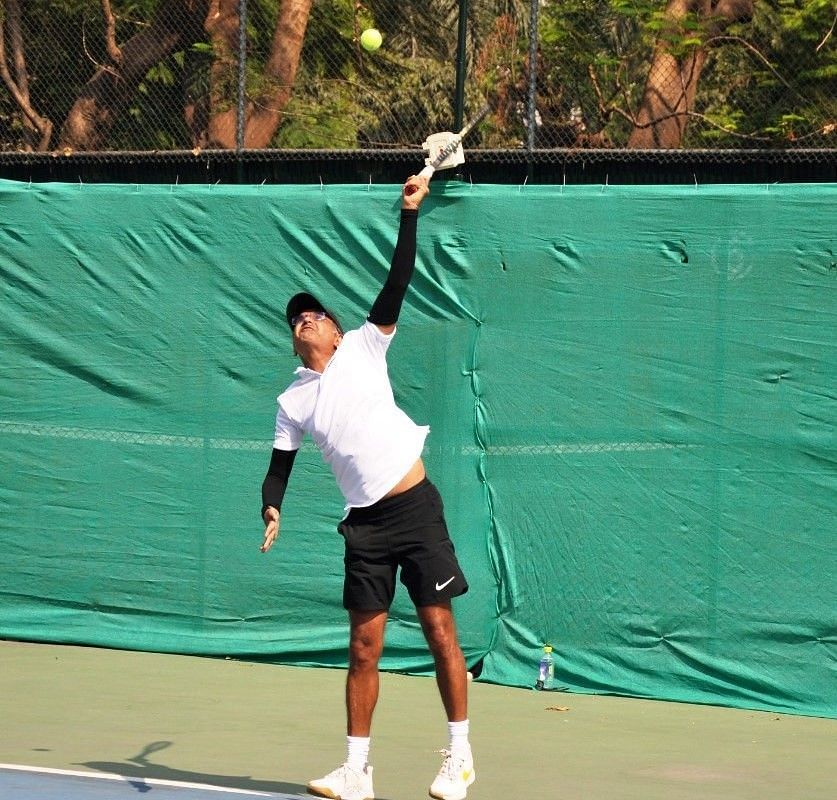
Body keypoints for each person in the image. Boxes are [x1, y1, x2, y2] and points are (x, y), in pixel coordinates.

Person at [259, 174, 474, 800]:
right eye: (295, 319)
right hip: (364, 525)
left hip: (414, 508)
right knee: (363, 643)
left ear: (333, 329)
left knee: (439, 631)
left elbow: (397, 280)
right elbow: (280, 466)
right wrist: (271, 504)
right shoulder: (290, 400)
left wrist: (410, 213)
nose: (303, 320)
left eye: (312, 314)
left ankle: (459, 756)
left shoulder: (363, 347)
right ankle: (357, 770)